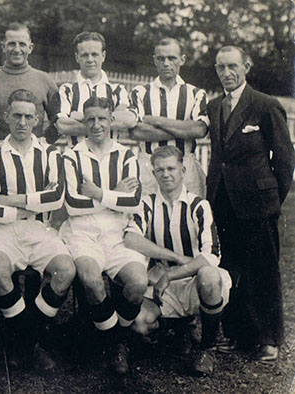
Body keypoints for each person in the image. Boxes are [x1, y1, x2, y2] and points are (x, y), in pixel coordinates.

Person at [206, 46, 295, 362]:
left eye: (232, 66)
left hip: (258, 202)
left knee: (263, 270)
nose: (226, 73)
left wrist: (271, 198)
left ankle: (268, 338)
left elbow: (284, 159)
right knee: (230, 268)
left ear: (246, 67)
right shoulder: (214, 106)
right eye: (220, 67)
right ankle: (237, 334)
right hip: (224, 201)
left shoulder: (265, 105)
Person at [0, 89, 75, 371]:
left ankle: (22, 337)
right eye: (17, 116)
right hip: (3, 230)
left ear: (38, 120)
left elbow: (57, 197)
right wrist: (33, 202)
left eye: (28, 117)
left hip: (39, 229)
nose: (22, 122)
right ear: (6, 117)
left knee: (66, 270)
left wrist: (11, 199)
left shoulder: (50, 153)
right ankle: (30, 342)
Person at [126, 146, 230, 375]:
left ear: (183, 170)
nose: (166, 174)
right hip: (164, 285)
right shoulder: (147, 203)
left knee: (211, 276)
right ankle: (179, 327)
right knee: (139, 323)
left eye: (171, 168)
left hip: (194, 280)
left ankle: (207, 348)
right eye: (160, 170)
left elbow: (211, 256)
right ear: (153, 174)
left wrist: (171, 273)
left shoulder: (198, 205)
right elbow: (131, 238)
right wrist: (172, 258)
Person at [60, 96, 146, 374]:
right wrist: (115, 193)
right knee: (91, 280)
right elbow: (72, 204)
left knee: (138, 283)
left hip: (117, 234)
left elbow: (133, 201)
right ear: (84, 123)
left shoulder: (126, 155)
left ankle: (111, 337)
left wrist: (98, 193)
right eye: (91, 120)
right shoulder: (71, 155)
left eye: (102, 119)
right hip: (82, 234)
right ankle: (115, 344)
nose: (97, 125)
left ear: (111, 121)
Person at [129, 38, 209, 197]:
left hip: (185, 164)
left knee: (187, 215)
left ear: (182, 59)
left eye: (171, 58)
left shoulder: (195, 93)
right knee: (148, 215)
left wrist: (158, 121)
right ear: (154, 60)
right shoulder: (140, 92)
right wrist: (184, 129)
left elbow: (199, 130)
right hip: (149, 166)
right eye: (161, 58)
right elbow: (136, 132)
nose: (166, 63)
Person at [0, 23, 58, 145]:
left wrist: (45, 142)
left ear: (30, 48)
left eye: (22, 44)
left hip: (34, 155)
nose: (17, 50)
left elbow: (58, 120)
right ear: (3, 47)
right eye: (12, 44)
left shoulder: (44, 80)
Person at [55, 32, 137, 144]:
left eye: (94, 54)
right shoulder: (67, 90)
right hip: (77, 156)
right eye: (84, 55)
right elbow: (62, 125)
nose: (90, 59)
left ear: (103, 56)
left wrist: (78, 117)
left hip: (110, 158)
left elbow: (130, 120)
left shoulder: (117, 91)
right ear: (77, 57)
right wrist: (107, 119)